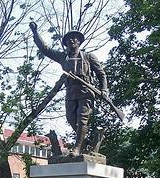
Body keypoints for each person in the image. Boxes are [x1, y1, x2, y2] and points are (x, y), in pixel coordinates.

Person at [29, 22, 108, 154]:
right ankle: (83, 141)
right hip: (71, 91)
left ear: (79, 41)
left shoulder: (89, 57)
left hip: (86, 91)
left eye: (75, 38)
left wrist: (104, 89)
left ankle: (77, 148)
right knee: (71, 118)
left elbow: (101, 74)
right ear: (65, 42)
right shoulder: (62, 57)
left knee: (82, 118)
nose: (72, 40)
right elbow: (45, 49)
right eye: (69, 38)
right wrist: (35, 33)